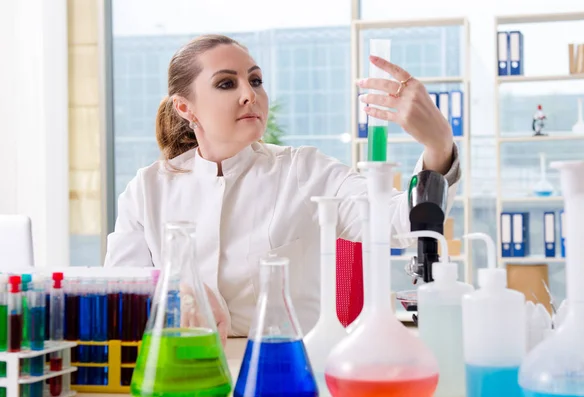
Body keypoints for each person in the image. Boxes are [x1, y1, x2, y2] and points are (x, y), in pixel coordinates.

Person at [104, 34, 461, 345]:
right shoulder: (147, 190)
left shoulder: (304, 170)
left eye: (256, 80)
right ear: (186, 108)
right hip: (188, 365)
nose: (250, 94)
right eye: (227, 84)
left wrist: (438, 146)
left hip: (290, 369)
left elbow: (400, 223)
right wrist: (173, 290)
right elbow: (119, 294)